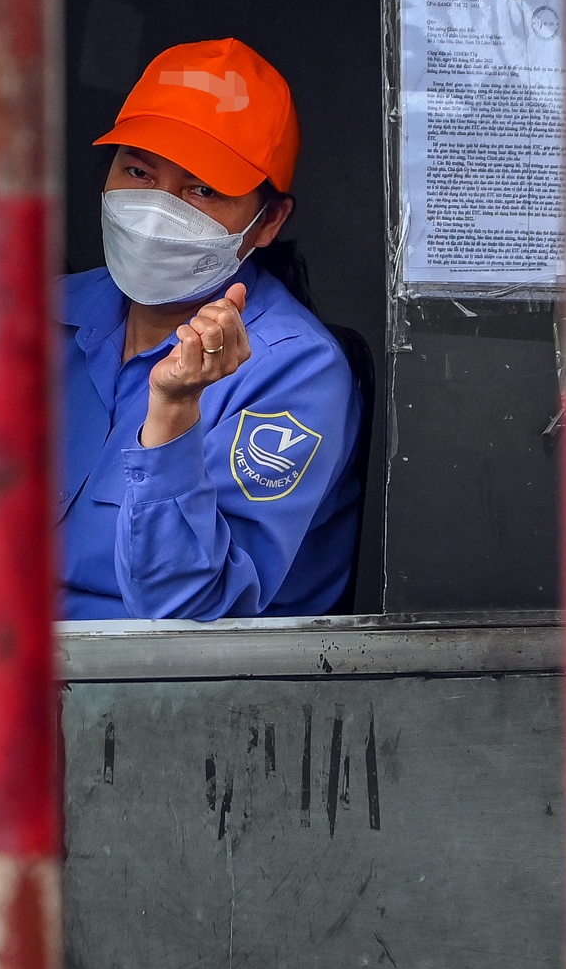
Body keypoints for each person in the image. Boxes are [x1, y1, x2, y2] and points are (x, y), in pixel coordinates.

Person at [58, 38, 362, 620]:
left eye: (203, 190)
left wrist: (174, 414)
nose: (157, 211)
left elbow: (191, 616)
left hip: (157, 689)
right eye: (139, 171)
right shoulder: (40, 316)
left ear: (268, 220)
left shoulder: (295, 369)